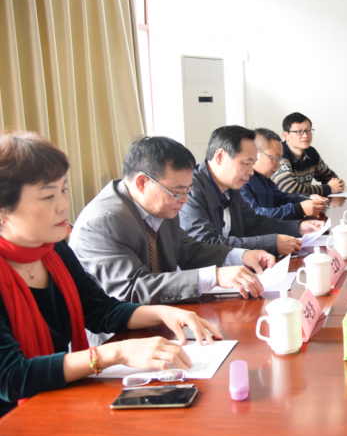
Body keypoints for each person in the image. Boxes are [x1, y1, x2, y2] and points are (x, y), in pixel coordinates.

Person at [0, 131, 220, 416]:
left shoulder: (53, 250)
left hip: (56, 399)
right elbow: (11, 376)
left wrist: (163, 313)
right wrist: (114, 353)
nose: (64, 205)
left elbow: (99, 310)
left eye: (63, 190)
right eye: (47, 196)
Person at [70, 136, 274, 307]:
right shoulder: (104, 221)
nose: (184, 199)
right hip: (119, 334)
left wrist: (241, 255)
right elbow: (132, 289)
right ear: (142, 182)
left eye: (188, 189)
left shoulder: (161, 203)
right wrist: (214, 276)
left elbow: (186, 249)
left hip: (163, 314)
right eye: (178, 191)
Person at [180, 126, 323, 257]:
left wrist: (298, 227)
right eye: (246, 163)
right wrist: (271, 243)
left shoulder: (231, 187)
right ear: (220, 157)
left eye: (252, 164)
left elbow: (253, 222)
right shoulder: (190, 191)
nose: (251, 172)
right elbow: (206, 244)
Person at [241, 128, 327, 220]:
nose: (278, 165)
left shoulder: (264, 178)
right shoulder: (242, 181)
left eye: (279, 159)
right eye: (275, 159)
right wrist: (298, 209)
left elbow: (280, 198)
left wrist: (307, 198)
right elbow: (255, 215)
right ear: (255, 154)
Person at [272, 113, 344, 196]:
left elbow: (329, 176)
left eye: (308, 130)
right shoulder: (279, 155)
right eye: (299, 131)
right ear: (285, 135)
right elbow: (290, 189)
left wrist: (337, 184)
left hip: (305, 202)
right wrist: (329, 188)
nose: (305, 135)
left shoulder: (311, 152)